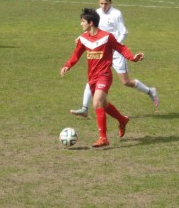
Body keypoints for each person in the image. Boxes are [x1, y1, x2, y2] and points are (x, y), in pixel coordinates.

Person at [60, 8, 144, 147]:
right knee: (104, 105)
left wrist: (132, 58)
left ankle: (103, 137)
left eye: (83, 21)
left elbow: (121, 47)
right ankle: (122, 120)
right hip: (92, 77)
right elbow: (76, 55)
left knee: (97, 103)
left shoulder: (107, 37)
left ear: (91, 23)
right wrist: (67, 66)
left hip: (104, 75)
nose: (81, 24)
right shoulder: (83, 38)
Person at [70, 0, 158, 118]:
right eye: (101, 3)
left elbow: (124, 32)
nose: (103, 6)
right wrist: (81, 37)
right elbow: (92, 30)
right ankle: (84, 108)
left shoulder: (116, 14)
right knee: (93, 77)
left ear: (111, 2)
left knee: (126, 81)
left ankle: (150, 91)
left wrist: (113, 45)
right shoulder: (97, 13)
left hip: (115, 52)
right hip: (101, 52)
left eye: (106, 3)